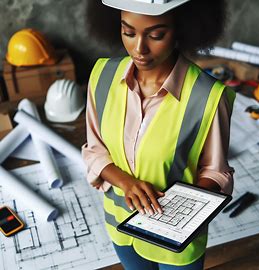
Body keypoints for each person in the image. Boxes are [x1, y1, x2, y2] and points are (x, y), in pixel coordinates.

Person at [82, 0, 235, 269]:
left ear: (181, 29)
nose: (139, 48)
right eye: (128, 32)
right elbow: (95, 150)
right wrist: (126, 183)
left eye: (155, 35)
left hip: (176, 242)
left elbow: (216, 172)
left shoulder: (209, 96)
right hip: (120, 227)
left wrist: (188, 205)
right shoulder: (101, 76)